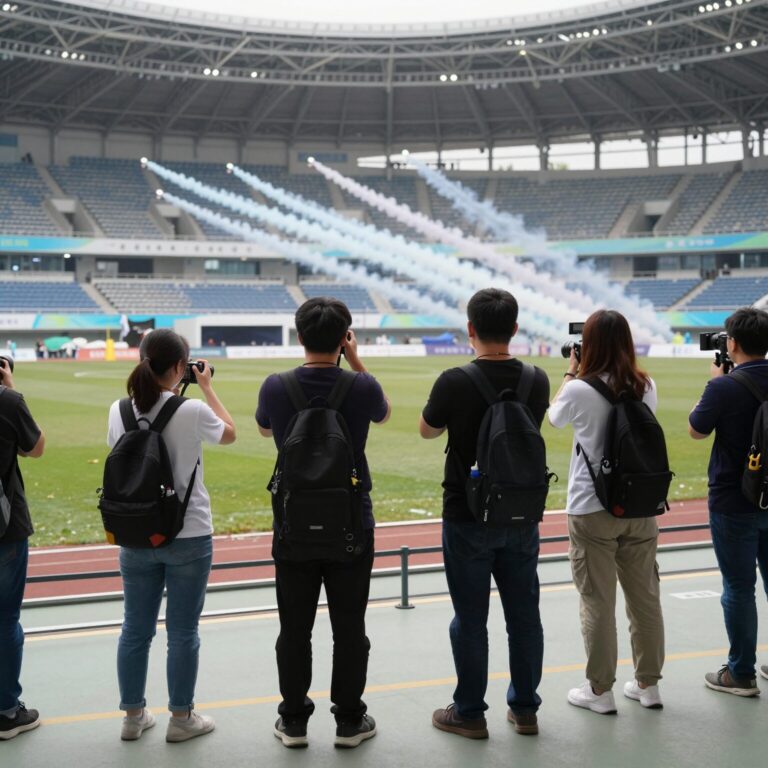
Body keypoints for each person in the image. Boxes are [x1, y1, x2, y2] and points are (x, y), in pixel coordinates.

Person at [256, 297, 391, 750]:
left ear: (299, 336)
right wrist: (355, 362)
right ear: (343, 337)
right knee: (349, 626)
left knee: (294, 627)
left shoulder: (276, 386)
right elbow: (384, 411)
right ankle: (350, 720)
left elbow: (262, 428)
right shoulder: (361, 386)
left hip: (293, 525)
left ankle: (293, 720)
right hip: (352, 523)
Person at [420, 288, 549, 738]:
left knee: (470, 619)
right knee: (524, 615)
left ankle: (470, 712)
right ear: (514, 329)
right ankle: (526, 708)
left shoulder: (454, 380)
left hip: (467, 512)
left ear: (470, 330)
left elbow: (427, 430)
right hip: (521, 511)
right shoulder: (538, 378)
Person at [107, 329, 236, 742]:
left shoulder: (117, 410)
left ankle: (132, 717)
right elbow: (230, 432)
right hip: (189, 534)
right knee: (182, 631)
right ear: (181, 367)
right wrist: (208, 389)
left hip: (135, 531)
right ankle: (181, 718)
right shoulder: (192, 409)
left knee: (134, 629)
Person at [549, 309, 665, 714]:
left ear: (589, 345)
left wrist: (570, 371)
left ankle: (600, 691)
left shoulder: (579, 389)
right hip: (639, 503)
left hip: (591, 506)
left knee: (597, 600)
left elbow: (553, 418)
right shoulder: (646, 384)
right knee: (645, 598)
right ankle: (648, 685)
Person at [689, 307, 768, 696]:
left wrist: (717, 382)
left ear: (731, 344)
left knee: (738, 586)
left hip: (733, 499)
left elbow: (696, 430)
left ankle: (741, 672)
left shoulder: (723, 386)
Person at [0, 357, 45, 740]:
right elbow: (36, 449)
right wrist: (11, 387)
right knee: (4, 619)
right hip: (4, 527)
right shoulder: (7, 402)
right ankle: (6, 711)